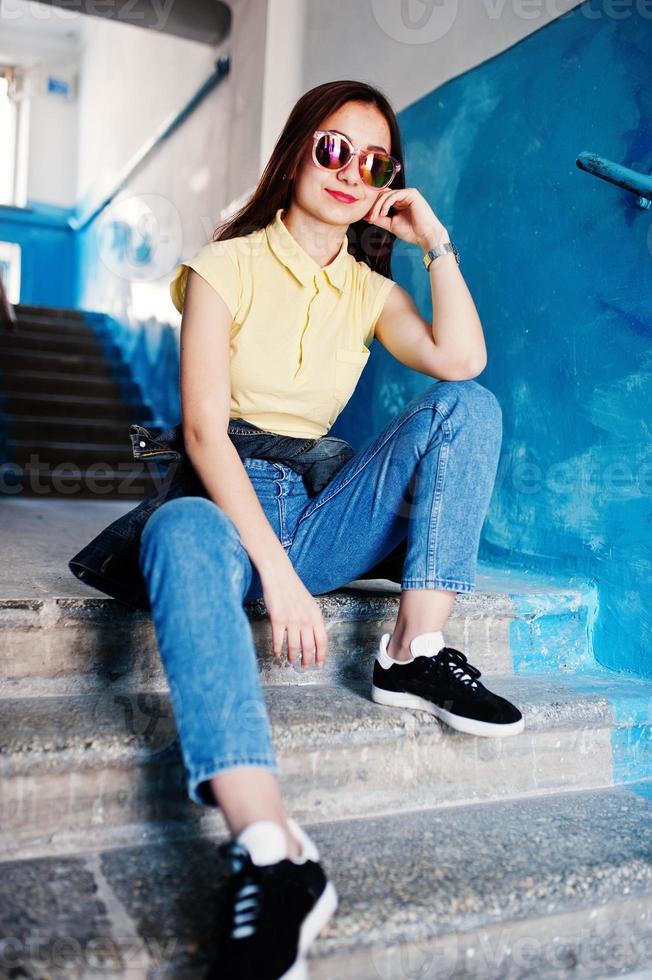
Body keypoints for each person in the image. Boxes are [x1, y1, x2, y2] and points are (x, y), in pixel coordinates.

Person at [138, 79, 523, 979]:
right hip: (229, 504)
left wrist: (435, 243)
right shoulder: (222, 268)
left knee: (469, 406)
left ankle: (413, 651)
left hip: (320, 509)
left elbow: (462, 360)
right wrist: (272, 574)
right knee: (177, 535)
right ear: (297, 149)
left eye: (376, 160)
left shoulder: (366, 289)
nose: (353, 170)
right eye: (334, 148)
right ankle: (273, 852)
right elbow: (201, 431)